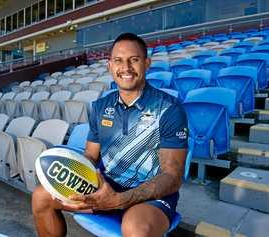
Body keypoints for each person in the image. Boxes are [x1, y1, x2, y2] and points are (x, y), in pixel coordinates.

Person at [32, 33, 188, 237]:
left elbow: (172, 177)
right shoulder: (100, 106)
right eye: (118, 60)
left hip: (149, 195)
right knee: (41, 197)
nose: (126, 68)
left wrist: (120, 200)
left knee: (135, 229)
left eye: (134, 59)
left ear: (147, 63)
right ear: (110, 66)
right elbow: (90, 156)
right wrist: (70, 183)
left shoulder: (169, 108)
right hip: (106, 185)